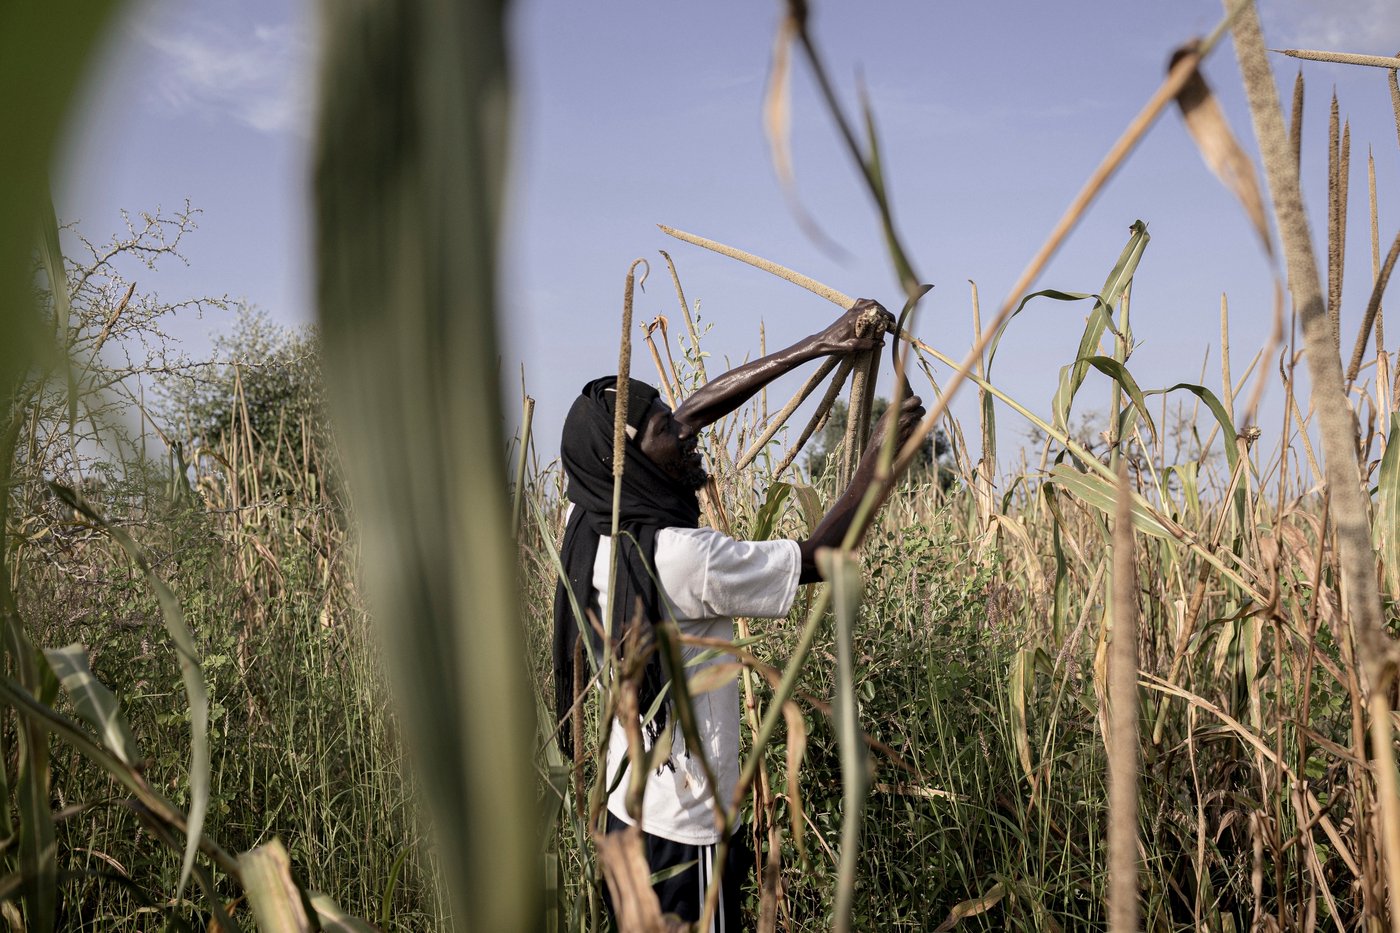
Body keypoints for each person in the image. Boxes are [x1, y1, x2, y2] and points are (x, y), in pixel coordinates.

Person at [553, 299, 924, 931]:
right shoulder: (682, 558)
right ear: (634, 462)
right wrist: (884, 452)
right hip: (686, 829)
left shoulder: (587, 520)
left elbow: (690, 412)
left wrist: (819, 343)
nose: (686, 430)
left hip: (625, 807)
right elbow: (823, 556)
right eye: (665, 429)